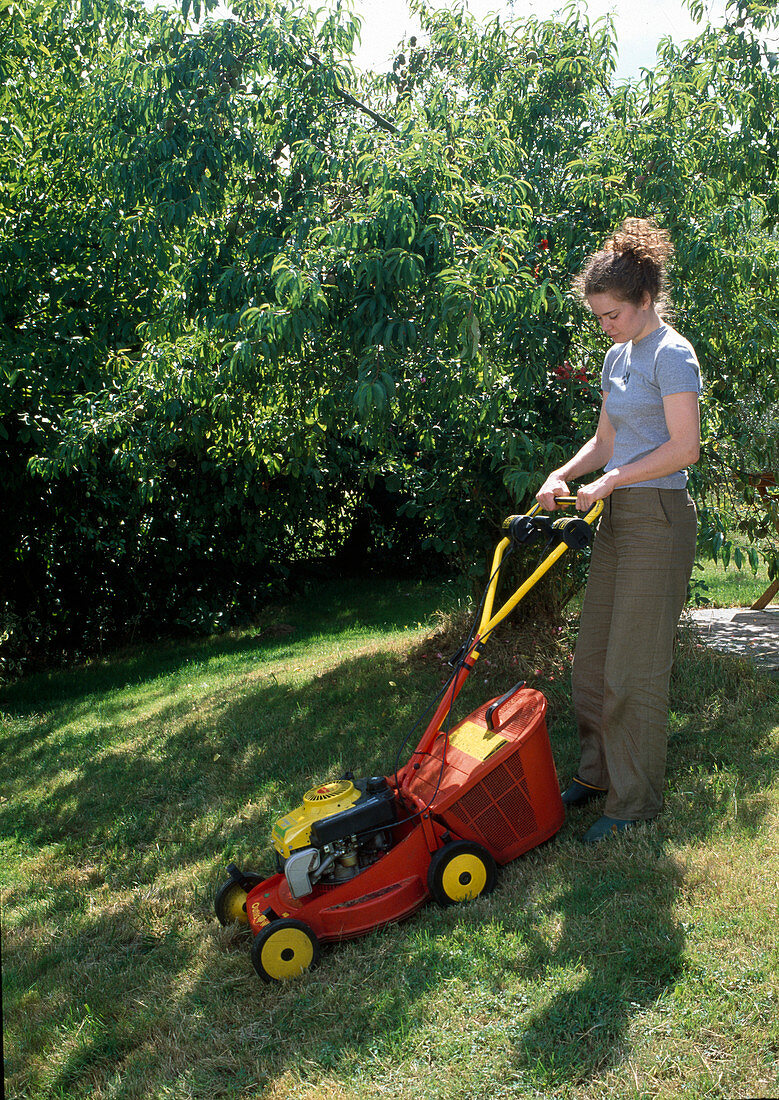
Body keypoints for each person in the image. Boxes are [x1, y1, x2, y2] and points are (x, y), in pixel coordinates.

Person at [536, 217, 701, 844]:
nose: (604, 326)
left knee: (634, 670)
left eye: (612, 315)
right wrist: (567, 472)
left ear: (643, 302)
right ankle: (597, 776)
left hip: (657, 521)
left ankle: (634, 804)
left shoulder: (672, 354)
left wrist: (612, 480)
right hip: (614, 520)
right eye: (599, 316)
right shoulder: (617, 356)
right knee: (593, 660)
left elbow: (684, 448)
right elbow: (606, 440)